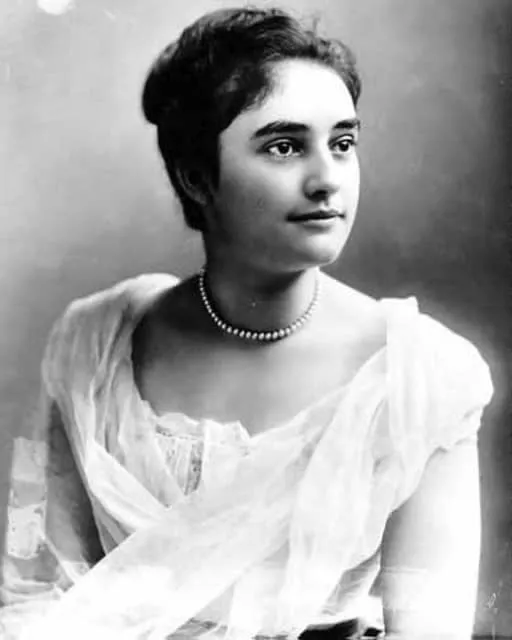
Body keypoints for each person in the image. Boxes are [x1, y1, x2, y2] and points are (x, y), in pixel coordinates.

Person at [0, 7, 493, 640]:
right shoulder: (97, 344)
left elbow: (429, 631)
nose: (327, 180)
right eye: (284, 147)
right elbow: (36, 593)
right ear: (196, 177)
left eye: (343, 144)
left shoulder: (420, 377)